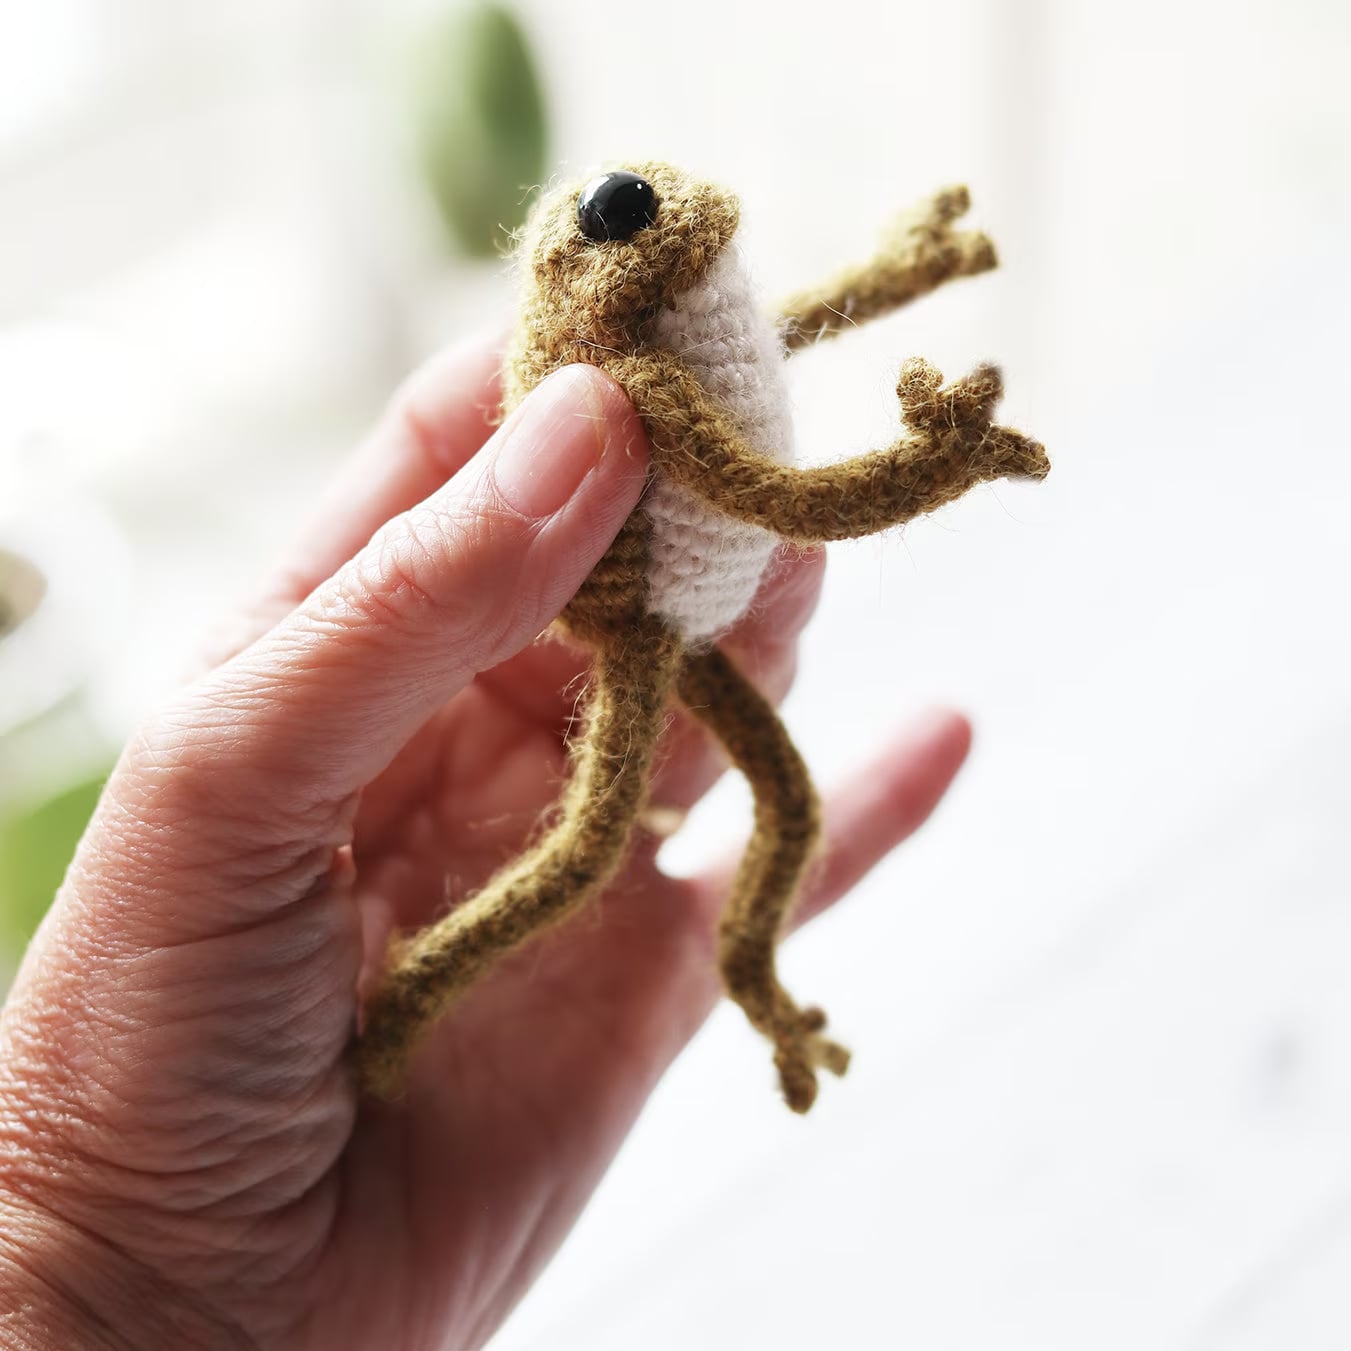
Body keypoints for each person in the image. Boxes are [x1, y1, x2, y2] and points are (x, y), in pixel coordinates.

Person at [0, 341, 970, 1350]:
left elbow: (778, 436)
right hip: (637, 620)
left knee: (736, 816)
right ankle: (426, 989)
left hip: (660, 620)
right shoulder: (637, 381)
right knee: (593, 849)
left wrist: (113, 1266)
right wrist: (100, 1251)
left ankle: (714, 998)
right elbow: (783, 495)